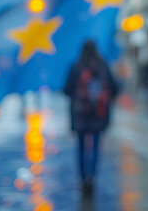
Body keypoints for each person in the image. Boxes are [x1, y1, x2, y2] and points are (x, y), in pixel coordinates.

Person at [64, 40, 118, 195]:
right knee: (95, 146)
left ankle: (82, 179)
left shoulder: (76, 67)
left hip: (80, 114)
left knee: (80, 147)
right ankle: (92, 177)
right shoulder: (102, 66)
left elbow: (67, 90)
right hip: (98, 114)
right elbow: (114, 88)